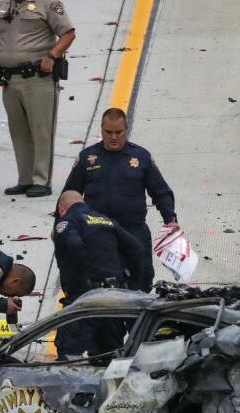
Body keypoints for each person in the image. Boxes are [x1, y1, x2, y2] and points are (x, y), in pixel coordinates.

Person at [63, 108, 178, 292]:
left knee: (143, 279)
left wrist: (170, 219)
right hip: (100, 233)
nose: (114, 137)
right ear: (101, 130)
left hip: (134, 230)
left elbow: (161, 192)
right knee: (105, 284)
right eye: (108, 132)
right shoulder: (88, 158)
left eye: (119, 132)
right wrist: (59, 227)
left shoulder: (141, 157)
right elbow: (69, 195)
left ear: (127, 130)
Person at [0, 0, 75, 198]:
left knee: (42, 130)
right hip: (10, 79)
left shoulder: (48, 4)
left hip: (38, 78)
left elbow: (68, 33)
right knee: (19, 131)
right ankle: (25, 179)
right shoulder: (3, 5)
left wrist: (52, 56)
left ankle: (42, 181)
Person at [52, 191, 149, 358]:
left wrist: (81, 283)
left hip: (86, 299)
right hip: (113, 298)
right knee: (108, 356)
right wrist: (131, 283)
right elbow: (138, 250)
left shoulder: (68, 221)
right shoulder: (105, 220)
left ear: (62, 209)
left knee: (68, 354)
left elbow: (74, 244)